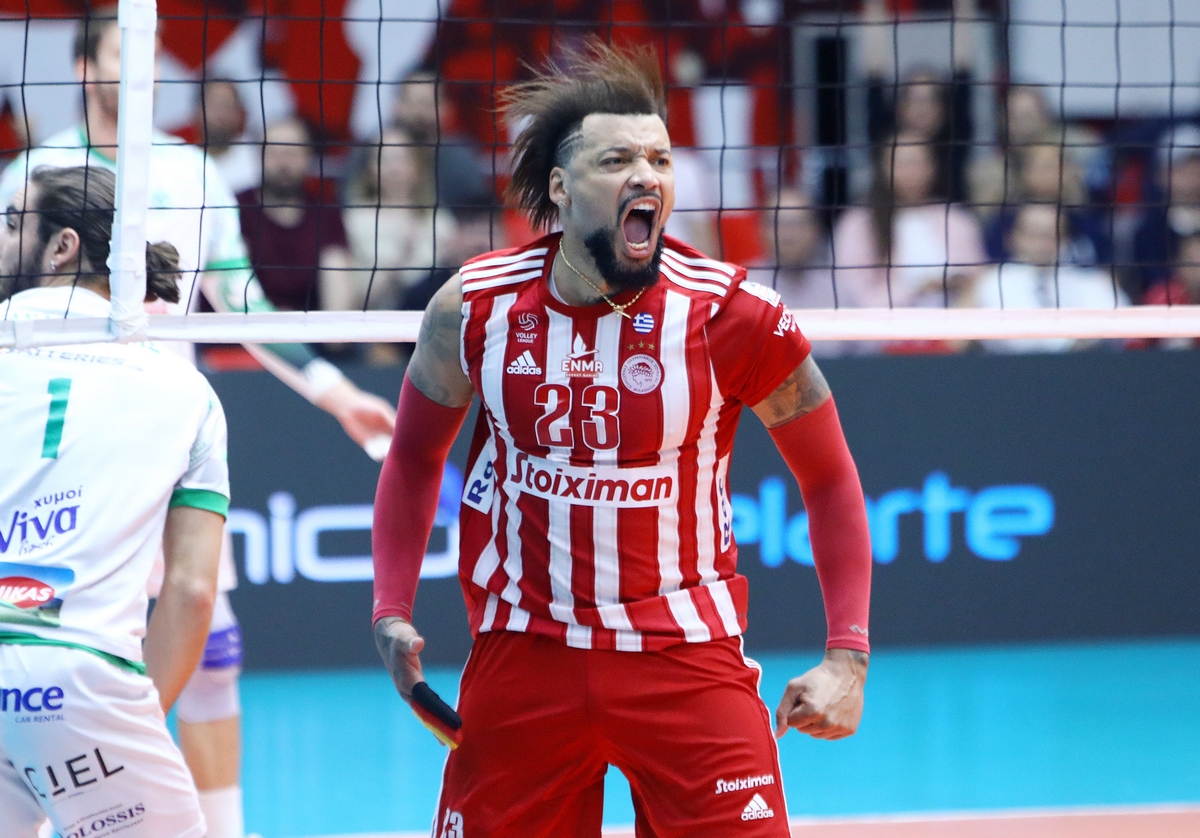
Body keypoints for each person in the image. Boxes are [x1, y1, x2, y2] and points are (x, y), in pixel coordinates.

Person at [372, 41, 872, 836]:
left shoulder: (732, 315)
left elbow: (830, 479)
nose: (647, 175)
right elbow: (412, 457)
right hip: (523, 657)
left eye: (660, 159)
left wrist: (848, 653)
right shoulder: (474, 307)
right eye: (617, 160)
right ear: (561, 189)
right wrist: (390, 609)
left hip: (687, 657)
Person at [0, 10, 396, 838]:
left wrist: (333, 391)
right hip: (48, 448)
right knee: (32, 640)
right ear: (85, 66)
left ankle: (222, 824)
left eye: (149, 54)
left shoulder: (193, 172)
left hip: (154, 442)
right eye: (124, 50)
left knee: (212, 647)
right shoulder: (32, 178)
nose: (142, 68)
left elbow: (240, 302)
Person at [0, 165, 226, 838]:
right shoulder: (186, 391)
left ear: (62, 246)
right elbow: (191, 593)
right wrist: (128, 727)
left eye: (11, 224)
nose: (0, 239)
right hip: (82, 682)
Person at [831, 133, 986, 311]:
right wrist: (917, 288)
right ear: (883, 168)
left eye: (916, 162)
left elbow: (980, 279)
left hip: (955, 321)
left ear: (932, 167)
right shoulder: (859, 223)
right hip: (886, 324)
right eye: (901, 163)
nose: (910, 171)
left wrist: (957, 283)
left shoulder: (955, 219)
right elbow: (853, 293)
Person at [971, 202, 1128, 353]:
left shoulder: (1092, 282)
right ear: (1013, 237)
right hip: (1011, 367)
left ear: (1065, 239)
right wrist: (1072, 342)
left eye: (1051, 233)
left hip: (1085, 365)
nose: (1041, 242)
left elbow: (1120, 326)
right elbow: (1015, 341)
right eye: (1033, 233)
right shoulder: (992, 281)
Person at [862, 0, 977, 203]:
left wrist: (964, 6)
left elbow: (963, 68)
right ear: (900, 109)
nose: (922, 108)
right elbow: (874, 72)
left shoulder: (955, 137)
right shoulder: (885, 135)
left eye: (930, 100)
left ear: (943, 110)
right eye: (914, 100)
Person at [237, 116, 351, 312]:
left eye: (292, 152)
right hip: (249, 322)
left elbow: (339, 290)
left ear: (308, 157)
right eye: (274, 152)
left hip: (311, 325)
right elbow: (232, 284)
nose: (283, 163)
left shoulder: (326, 212)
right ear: (258, 156)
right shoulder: (237, 209)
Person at [1132, 123, 1200, 298]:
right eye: (1182, 166)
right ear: (1162, 174)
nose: (1192, 173)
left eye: (1196, 165)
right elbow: (1150, 282)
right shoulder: (1149, 230)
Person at [193, 78, 260, 196]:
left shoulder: (257, 156)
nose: (220, 113)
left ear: (239, 113)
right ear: (198, 111)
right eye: (214, 105)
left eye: (227, 105)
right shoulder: (183, 163)